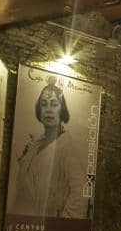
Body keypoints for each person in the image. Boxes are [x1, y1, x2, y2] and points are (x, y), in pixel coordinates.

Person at [9, 79, 86, 218]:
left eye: (54, 104)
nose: (49, 110)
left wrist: (62, 224)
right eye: (44, 104)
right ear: (39, 110)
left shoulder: (68, 147)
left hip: (53, 223)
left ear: (62, 110)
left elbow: (80, 192)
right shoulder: (35, 144)